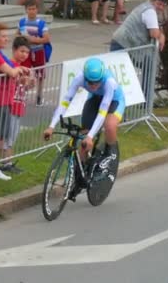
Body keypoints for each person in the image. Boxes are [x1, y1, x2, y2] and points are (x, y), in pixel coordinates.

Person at [43, 58, 125, 198]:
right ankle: (79, 177)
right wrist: (51, 126)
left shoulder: (109, 83)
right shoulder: (79, 78)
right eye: (90, 82)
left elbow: (103, 111)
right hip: (94, 99)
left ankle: (110, 153)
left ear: (102, 77)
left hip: (113, 101)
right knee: (82, 140)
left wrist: (91, 136)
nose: (93, 85)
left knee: (109, 126)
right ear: (85, 78)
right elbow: (65, 101)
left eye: (97, 82)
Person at [0, 22, 29, 180]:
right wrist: (18, 70)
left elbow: (13, 71)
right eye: (3, 36)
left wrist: (19, 70)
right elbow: (11, 71)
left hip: (3, 100)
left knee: (0, 135)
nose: (6, 39)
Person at [2, 37, 34, 173]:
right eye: (21, 51)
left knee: (13, 136)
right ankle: (6, 163)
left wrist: (30, 84)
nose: (24, 55)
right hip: (10, 105)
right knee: (7, 136)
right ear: (14, 50)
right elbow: (9, 83)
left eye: (26, 52)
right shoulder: (11, 66)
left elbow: (24, 88)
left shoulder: (25, 69)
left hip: (19, 105)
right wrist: (20, 80)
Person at [17, 0, 51, 106]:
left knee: (40, 75)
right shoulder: (22, 22)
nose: (32, 11)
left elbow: (46, 39)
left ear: (37, 10)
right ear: (26, 10)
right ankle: (22, 95)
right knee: (23, 73)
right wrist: (21, 39)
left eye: (34, 9)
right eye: (29, 9)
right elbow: (17, 34)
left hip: (38, 52)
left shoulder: (41, 23)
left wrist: (33, 40)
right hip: (25, 53)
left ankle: (39, 97)